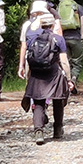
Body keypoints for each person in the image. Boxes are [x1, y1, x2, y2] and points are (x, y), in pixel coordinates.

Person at [18, 12, 71, 145]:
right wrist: (69, 79)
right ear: (53, 25)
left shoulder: (33, 39)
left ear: (41, 25)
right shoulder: (58, 39)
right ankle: (58, 129)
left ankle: (39, 132)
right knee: (58, 99)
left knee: (39, 102)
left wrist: (29, 76)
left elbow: (30, 59)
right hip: (53, 73)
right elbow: (64, 61)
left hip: (37, 74)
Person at [58, 0, 83, 94]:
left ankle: (66, 83)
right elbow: (82, 23)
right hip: (76, 38)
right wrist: (82, 36)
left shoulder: (59, 7)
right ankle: (74, 80)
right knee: (77, 62)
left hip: (64, 38)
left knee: (66, 61)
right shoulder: (78, 7)